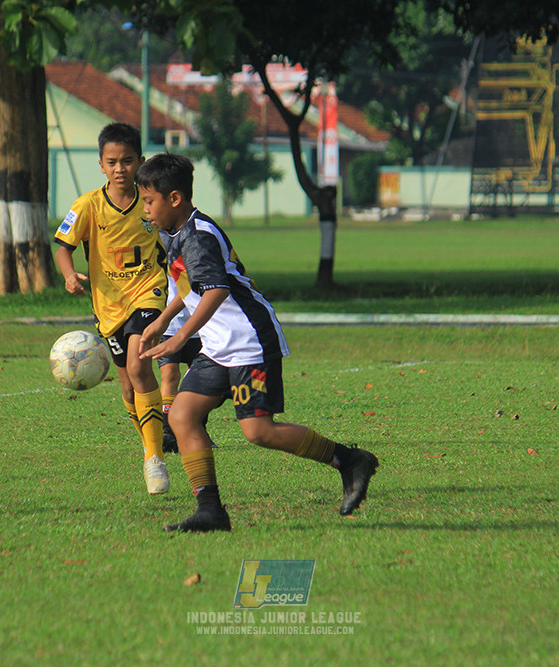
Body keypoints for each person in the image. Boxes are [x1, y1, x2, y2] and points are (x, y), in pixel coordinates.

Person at [136, 153, 379, 533]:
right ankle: (210, 510)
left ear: (175, 199)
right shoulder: (178, 232)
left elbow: (215, 291)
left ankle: (349, 460)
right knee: (182, 417)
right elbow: (190, 287)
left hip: (249, 341)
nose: (145, 209)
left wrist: (180, 337)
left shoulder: (197, 237)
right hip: (218, 346)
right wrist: (163, 321)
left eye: (149, 201)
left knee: (258, 431)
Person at [53, 122, 170, 495]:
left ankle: (154, 459)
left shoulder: (153, 203)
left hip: (148, 292)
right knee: (126, 385)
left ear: (141, 161)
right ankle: (150, 444)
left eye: (127, 161)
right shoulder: (88, 206)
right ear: (101, 165)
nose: (120, 168)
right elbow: (63, 248)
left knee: (139, 364)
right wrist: (70, 275)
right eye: (112, 162)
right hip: (109, 305)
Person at [156, 273, 217, 453]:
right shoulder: (160, 250)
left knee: (198, 380)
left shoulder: (197, 249)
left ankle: (198, 431)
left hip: (200, 325)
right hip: (169, 327)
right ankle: (167, 433)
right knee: (170, 374)